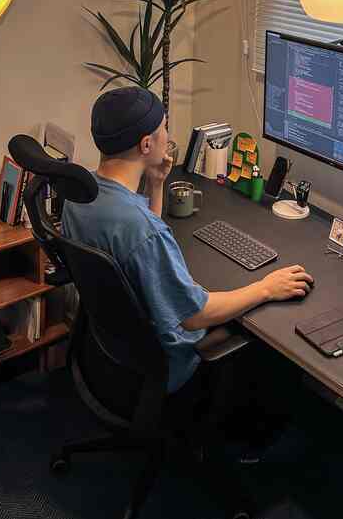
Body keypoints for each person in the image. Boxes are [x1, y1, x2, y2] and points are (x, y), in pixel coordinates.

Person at [61, 86, 313, 395]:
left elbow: (139, 242)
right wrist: (266, 288)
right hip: (167, 362)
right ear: (146, 144)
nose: (168, 136)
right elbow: (194, 316)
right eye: (164, 128)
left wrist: (156, 185)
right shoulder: (143, 231)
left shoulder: (79, 196)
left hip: (114, 351)